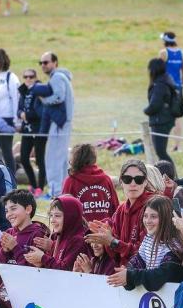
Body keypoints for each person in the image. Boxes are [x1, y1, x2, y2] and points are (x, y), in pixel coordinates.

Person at [107, 195, 183, 291]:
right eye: (145, 216)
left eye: (153, 216)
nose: (147, 221)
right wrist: (126, 272)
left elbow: (160, 277)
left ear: (166, 219)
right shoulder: (149, 239)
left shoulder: (176, 246)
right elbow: (137, 262)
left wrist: (130, 276)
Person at [86, 159, 152, 267]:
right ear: (121, 182)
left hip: (143, 275)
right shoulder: (120, 210)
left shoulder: (152, 207)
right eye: (127, 179)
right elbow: (115, 255)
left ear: (145, 182)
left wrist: (112, 242)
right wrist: (107, 239)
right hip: (122, 274)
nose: (133, 184)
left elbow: (144, 254)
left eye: (138, 179)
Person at [24, 194, 89, 273]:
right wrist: (40, 263)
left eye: (57, 216)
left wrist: (42, 258)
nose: (52, 220)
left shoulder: (78, 240)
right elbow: (53, 266)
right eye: (51, 215)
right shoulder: (59, 236)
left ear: (71, 217)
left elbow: (65, 270)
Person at [39, 51, 73, 198]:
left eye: (46, 62)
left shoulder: (57, 77)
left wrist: (44, 100)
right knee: (62, 158)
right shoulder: (61, 77)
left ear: (55, 63)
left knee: (53, 158)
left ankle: (55, 192)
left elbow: (59, 96)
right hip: (62, 123)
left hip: (59, 123)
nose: (43, 65)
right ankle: (63, 190)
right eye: (41, 63)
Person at [62, 143, 119, 222]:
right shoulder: (106, 179)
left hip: (80, 233)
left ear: (74, 160)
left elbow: (64, 210)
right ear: (93, 159)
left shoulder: (70, 181)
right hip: (105, 230)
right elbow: (115, 208)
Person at [143, 58, 177, 166]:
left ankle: (172, 175)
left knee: (161, 152)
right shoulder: (166, 80)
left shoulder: (160, 85)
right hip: (165, 120)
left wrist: (146, 110)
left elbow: (155, 105)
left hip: (160, 121)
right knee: (161, 152)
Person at [17, 68, 45, 194]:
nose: (28, 79)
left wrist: (27, 115)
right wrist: (21, 114)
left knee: (40, 160)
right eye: (26, 76)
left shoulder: (39, 90)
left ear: (35, 77)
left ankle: (40, 187)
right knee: (23, 158)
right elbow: (18, 109)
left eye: (31, 76)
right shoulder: (23, 91)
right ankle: (33, 185)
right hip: (27, 130)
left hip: (39, 130)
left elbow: (41, 112)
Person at [158, 32, 183, 151]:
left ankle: (162, 144)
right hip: (178, 88)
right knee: (177, 117)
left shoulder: (163, 52)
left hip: (165, 88)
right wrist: (180, 86)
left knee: (163, 116)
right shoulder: (181, 53)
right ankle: (177, 146)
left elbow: (158, 71)